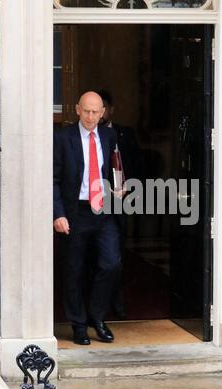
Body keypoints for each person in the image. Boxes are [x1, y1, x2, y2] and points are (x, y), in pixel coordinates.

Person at [53, 91, 122, 345]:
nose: (91, 116)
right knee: (74, 270)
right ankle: (78, 324)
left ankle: (97, 316)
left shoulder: (109, 135)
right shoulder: (62, 137)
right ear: (78, 110)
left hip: (103, 209)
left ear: (103, 112)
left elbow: (116, 167)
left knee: (111, 263)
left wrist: (119, 186)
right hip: (75, 211)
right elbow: (53, 179)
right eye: (87, 111)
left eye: (96, 112)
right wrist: (57, 214)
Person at [97, 89, 140, 320]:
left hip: (121, 202)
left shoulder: (125, 134)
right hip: (92, 203)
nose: (99, 112)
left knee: (116, 256)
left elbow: (135, 164)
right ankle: (96, 306)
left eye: (103, 107)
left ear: (110, 110)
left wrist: (129, 191)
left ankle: (117, 301)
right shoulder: (85, 134)